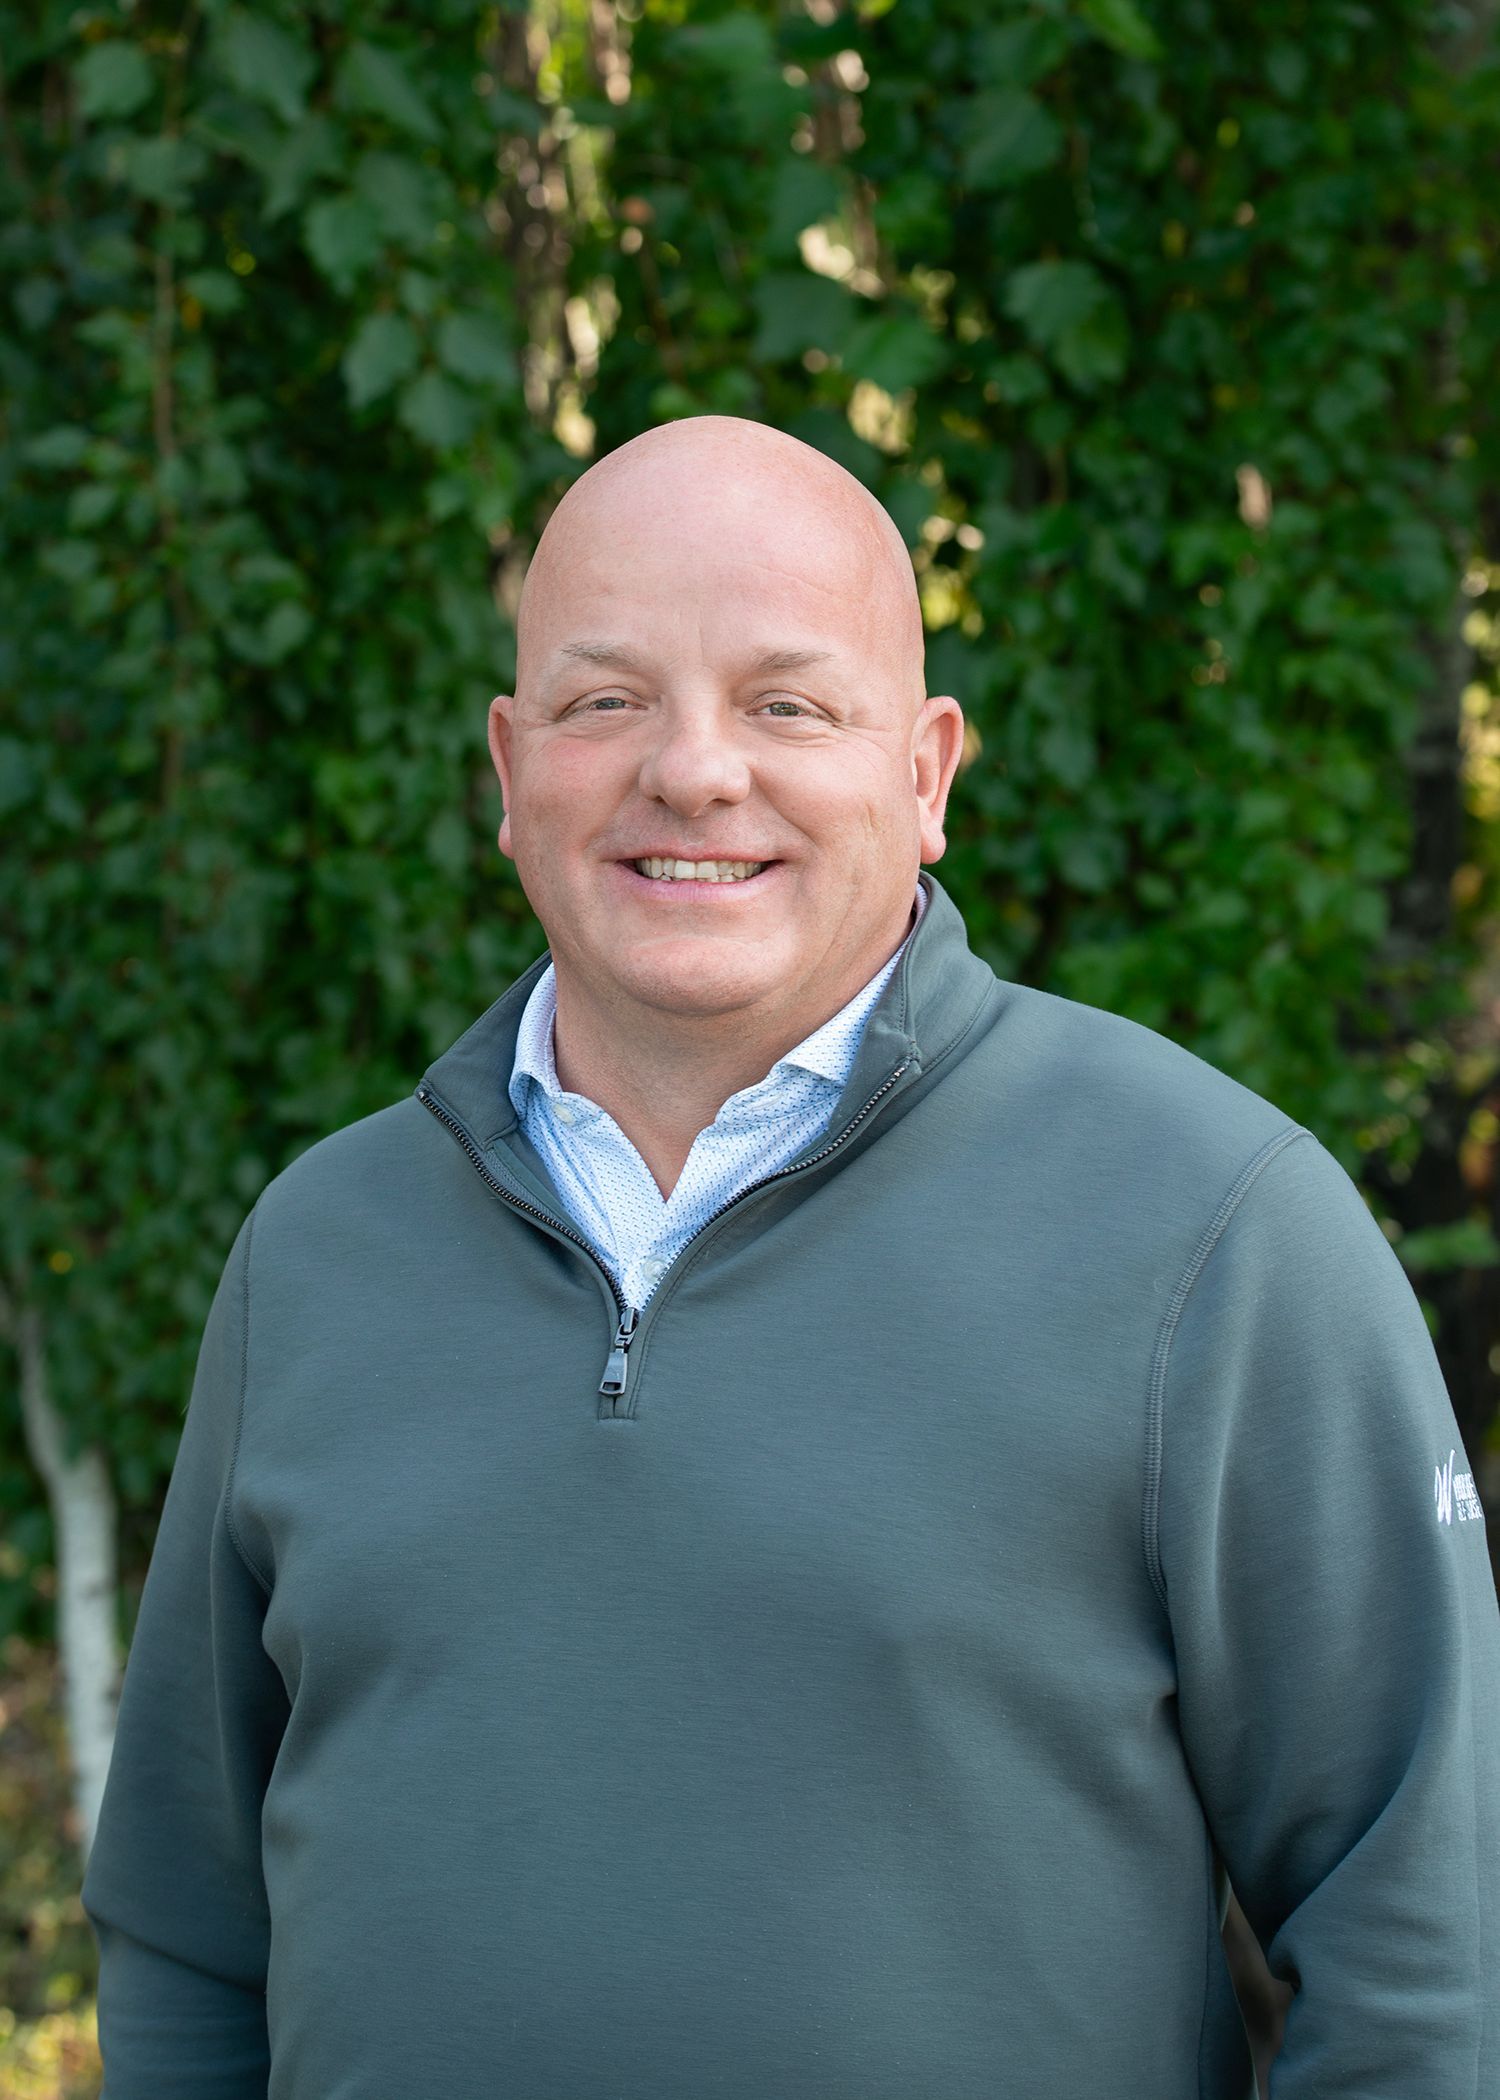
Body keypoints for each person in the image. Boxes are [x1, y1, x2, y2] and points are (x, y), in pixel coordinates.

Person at [82, 416, 1499, 2098]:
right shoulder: (321, 1251)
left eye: (786, 703)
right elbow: (187, 1925)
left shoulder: (1215, 1229)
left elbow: (1426, 1936)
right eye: (607, 701)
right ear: (510, 772)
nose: (691, 772)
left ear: (925, 775)